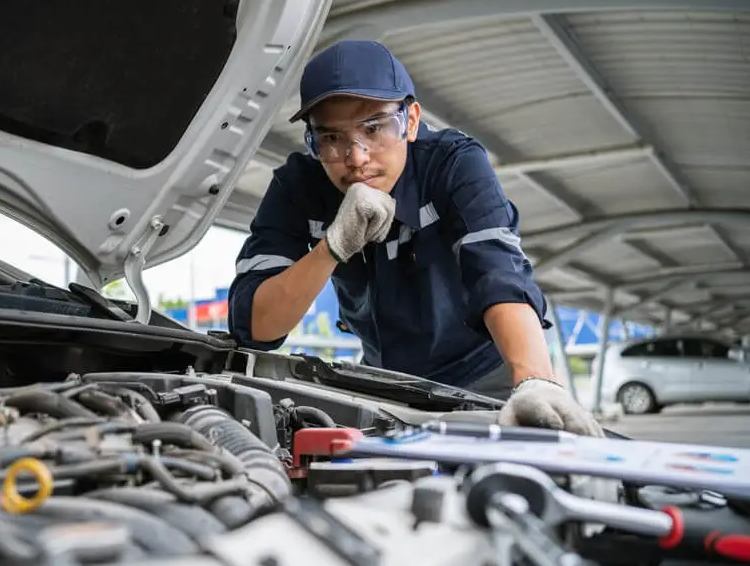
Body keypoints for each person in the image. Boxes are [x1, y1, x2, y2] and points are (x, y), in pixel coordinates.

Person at [227, 40, 602, 437]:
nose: (355, 157)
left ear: (411, 120)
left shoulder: (453, 165)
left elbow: (498, 271)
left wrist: (535, 381)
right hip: (383, 384)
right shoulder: (296, 186)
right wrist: (332, 247)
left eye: (373, 128)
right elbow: (256, 327)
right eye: (332, 138)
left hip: (487, 374)